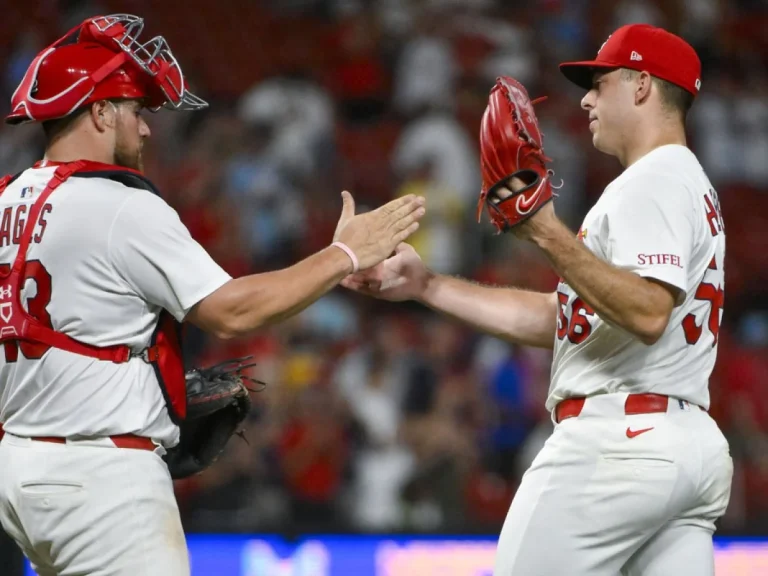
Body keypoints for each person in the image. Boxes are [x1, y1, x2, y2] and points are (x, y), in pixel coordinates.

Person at [0, 14, 424, 576]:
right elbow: (232, 310)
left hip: (19, 470)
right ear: (99, 112)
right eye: (135, 110)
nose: (147, 129)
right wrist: (345, 254)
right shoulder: (121, 204)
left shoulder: (8, 199)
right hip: (99, 478)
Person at [343, 24, 732, 575]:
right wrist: (427, 286)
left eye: (601, 83)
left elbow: (647, 312)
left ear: (643, 85)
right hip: (681, 446)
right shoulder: (687, 183)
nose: (587, 98)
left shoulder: (655, 180)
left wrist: (546, 232)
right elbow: (569, 319)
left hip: (619, 445)